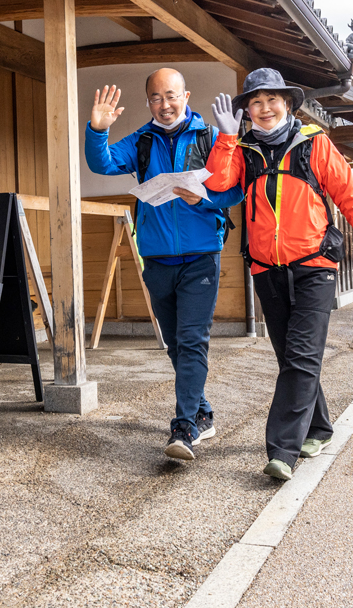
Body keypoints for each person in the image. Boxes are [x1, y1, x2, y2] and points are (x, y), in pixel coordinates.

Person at [206, 68, 353, 482]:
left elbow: (348, 195)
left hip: (314, 266)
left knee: (302, 356)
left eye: (273, 100)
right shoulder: (244, 148)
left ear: (287, 104)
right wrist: (226, 137)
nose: (265, 108)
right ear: (248, 111)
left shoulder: (314, 145)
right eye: (255, 102)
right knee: (291, 357)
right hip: (266, 268)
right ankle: (320, 428)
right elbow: (218, 185)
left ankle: (283, 450)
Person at [85, 68, 243, 462]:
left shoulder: (209, 138)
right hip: (156, 257)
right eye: (156, 98)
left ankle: (185, 426)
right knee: (175, 343)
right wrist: (97, 129)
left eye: (171, 96)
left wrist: (204, 199)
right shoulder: (141, 140)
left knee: (192, 340)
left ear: (186, 95)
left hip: (202, 256)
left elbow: (236, 190)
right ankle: (203, 412)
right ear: (148, 102)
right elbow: (102, 164)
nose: (165, 104)